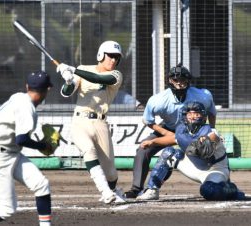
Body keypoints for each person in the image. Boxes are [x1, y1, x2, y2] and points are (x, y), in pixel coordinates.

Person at [0, 70, 54, 226]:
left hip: (11, 153)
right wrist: (43, 145)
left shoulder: (18, 97)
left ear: (27, 86)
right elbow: (22, 140)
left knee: (42, 185)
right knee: (7, 208)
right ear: (47, 90)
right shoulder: (26, 107)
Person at [124, 64, 217, 199]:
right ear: (169, 81)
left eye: (183, 80)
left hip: (196, 129)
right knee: (143, 150)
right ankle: (136, 189)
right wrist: (167, 134)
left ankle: (219, 180)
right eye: (175, 80)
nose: (179, 83)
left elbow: (211, 113)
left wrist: (211, 130)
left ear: (189, 81)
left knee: (211, 150)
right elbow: (148, 121)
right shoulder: (158, 100)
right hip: (168, 128)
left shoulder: (203, 95)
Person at [56, 40, 125, 204]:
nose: (113, 60)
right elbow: (67, 92)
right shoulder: (83, 69)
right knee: (88, 151)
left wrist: (74, 70)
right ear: (101, 55)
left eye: (117, 58)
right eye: (111, 56)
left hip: (101, 123)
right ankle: (105, 192)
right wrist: (68, 80)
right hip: (80, 121)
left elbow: (98, 78)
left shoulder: (116, 75)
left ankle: (114, 189)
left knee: (111, 173)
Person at [137, 101, 245, 201]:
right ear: (185, 116)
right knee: (169, 153)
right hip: (195, 168)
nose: (193, 117)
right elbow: (173, 139)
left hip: (215, 170)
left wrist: (206, 140)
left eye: (197, 114)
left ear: (203, 116)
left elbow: (214, 137)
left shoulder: (210, 130)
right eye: (190, 114)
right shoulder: (183, 131)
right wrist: (153, 142)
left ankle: (232, 190)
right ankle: (152, 190)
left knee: (208, 190)